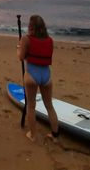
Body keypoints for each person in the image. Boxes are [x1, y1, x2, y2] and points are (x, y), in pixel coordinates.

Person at [17, 15, 59, 143]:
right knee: (49, 106)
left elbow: (21, 57)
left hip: (32, 76)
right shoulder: (50, 40)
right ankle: (55, 135)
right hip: (46, 76)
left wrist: (19, 48)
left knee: (31, 106)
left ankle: (33, 135)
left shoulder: (26, 39)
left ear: (31, 27)